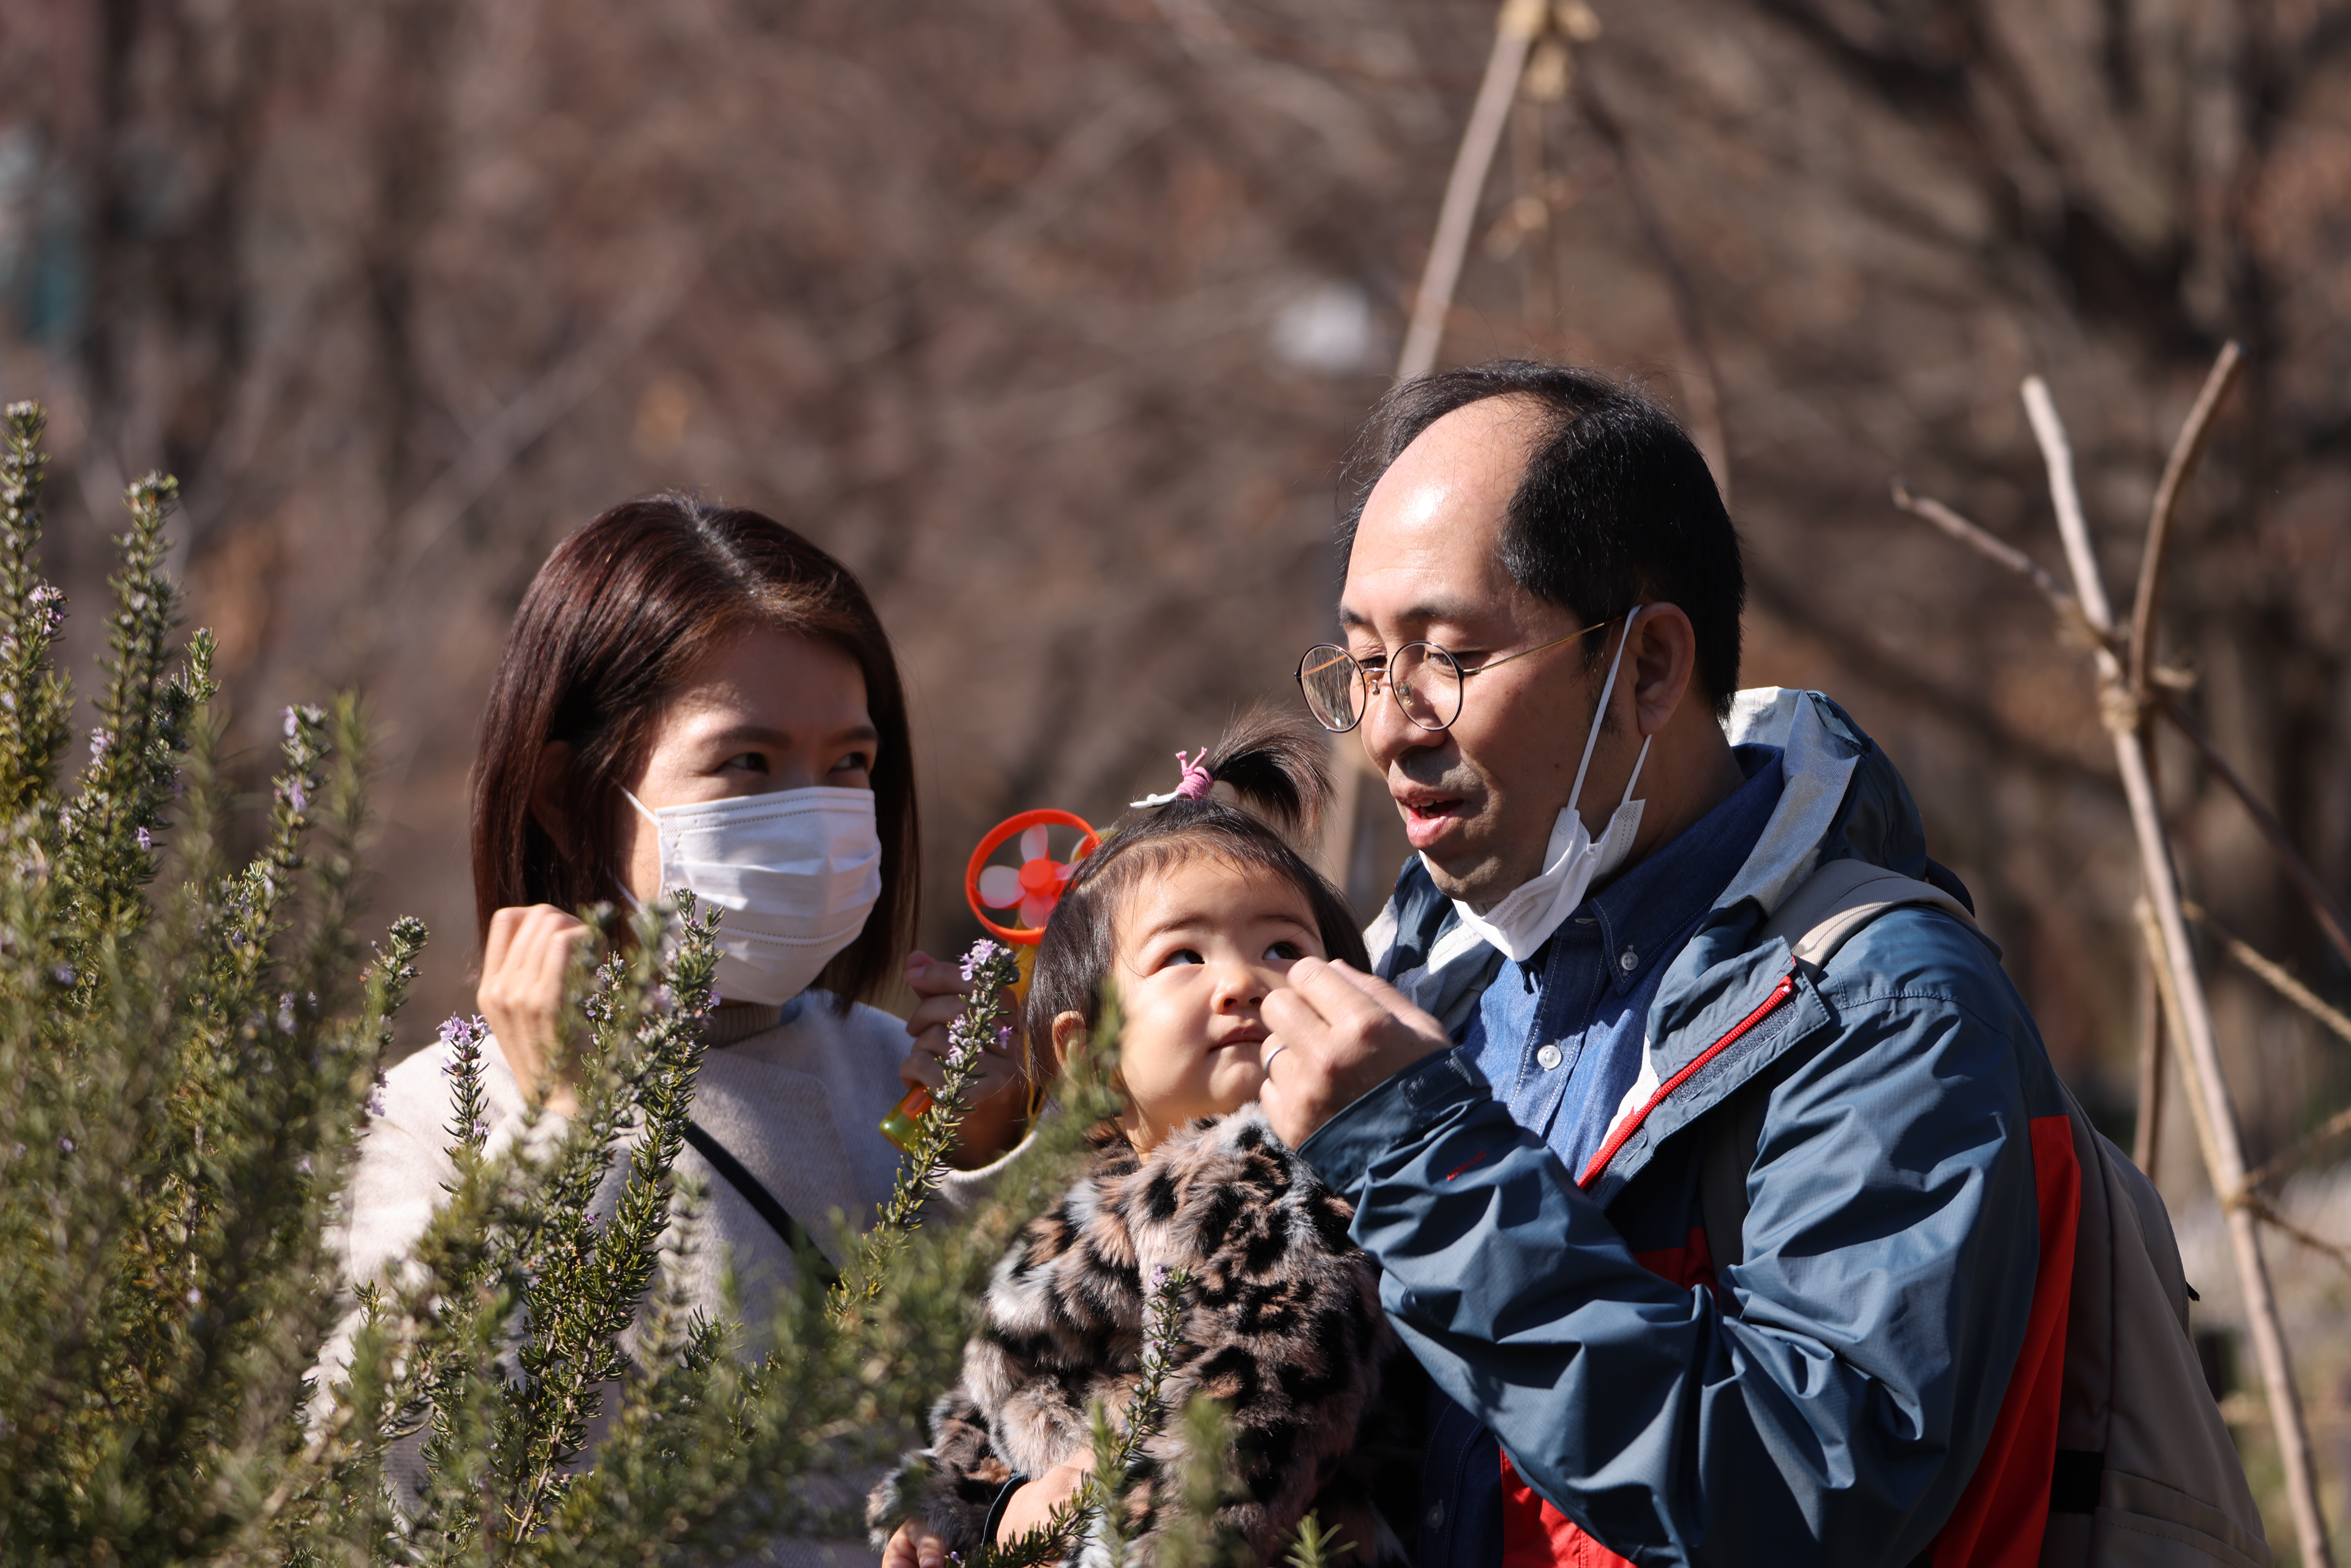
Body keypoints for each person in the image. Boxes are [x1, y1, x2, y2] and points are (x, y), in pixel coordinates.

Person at [1256, 364, 2089, 1568]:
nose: (1390, 723)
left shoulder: (1879, 1006)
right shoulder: (1415, 981)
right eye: (1366, 664)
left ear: (1648, 667)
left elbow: (1809, 1494)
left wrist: (1420, 1163)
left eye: (1447, 656)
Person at [336, 495, 1032, 1523]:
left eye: (849, 763)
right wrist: (560, 1139)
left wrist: (989, 1154)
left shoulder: (904, 1075)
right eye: (747, 763)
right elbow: (408, 1491)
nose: (818, 810)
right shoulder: (439, 1117)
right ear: (574, 799)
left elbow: (1051, 1412)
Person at [869, 716, 1419, 1568]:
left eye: (1283, 947)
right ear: (1084, 1051)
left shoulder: (1284, 1195)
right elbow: (1003, 1385)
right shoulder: (1082, 1204)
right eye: (1184, 956)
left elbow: (1245, 1429)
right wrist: (959, 1501)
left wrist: (1078, 1538)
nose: (1242, 980)